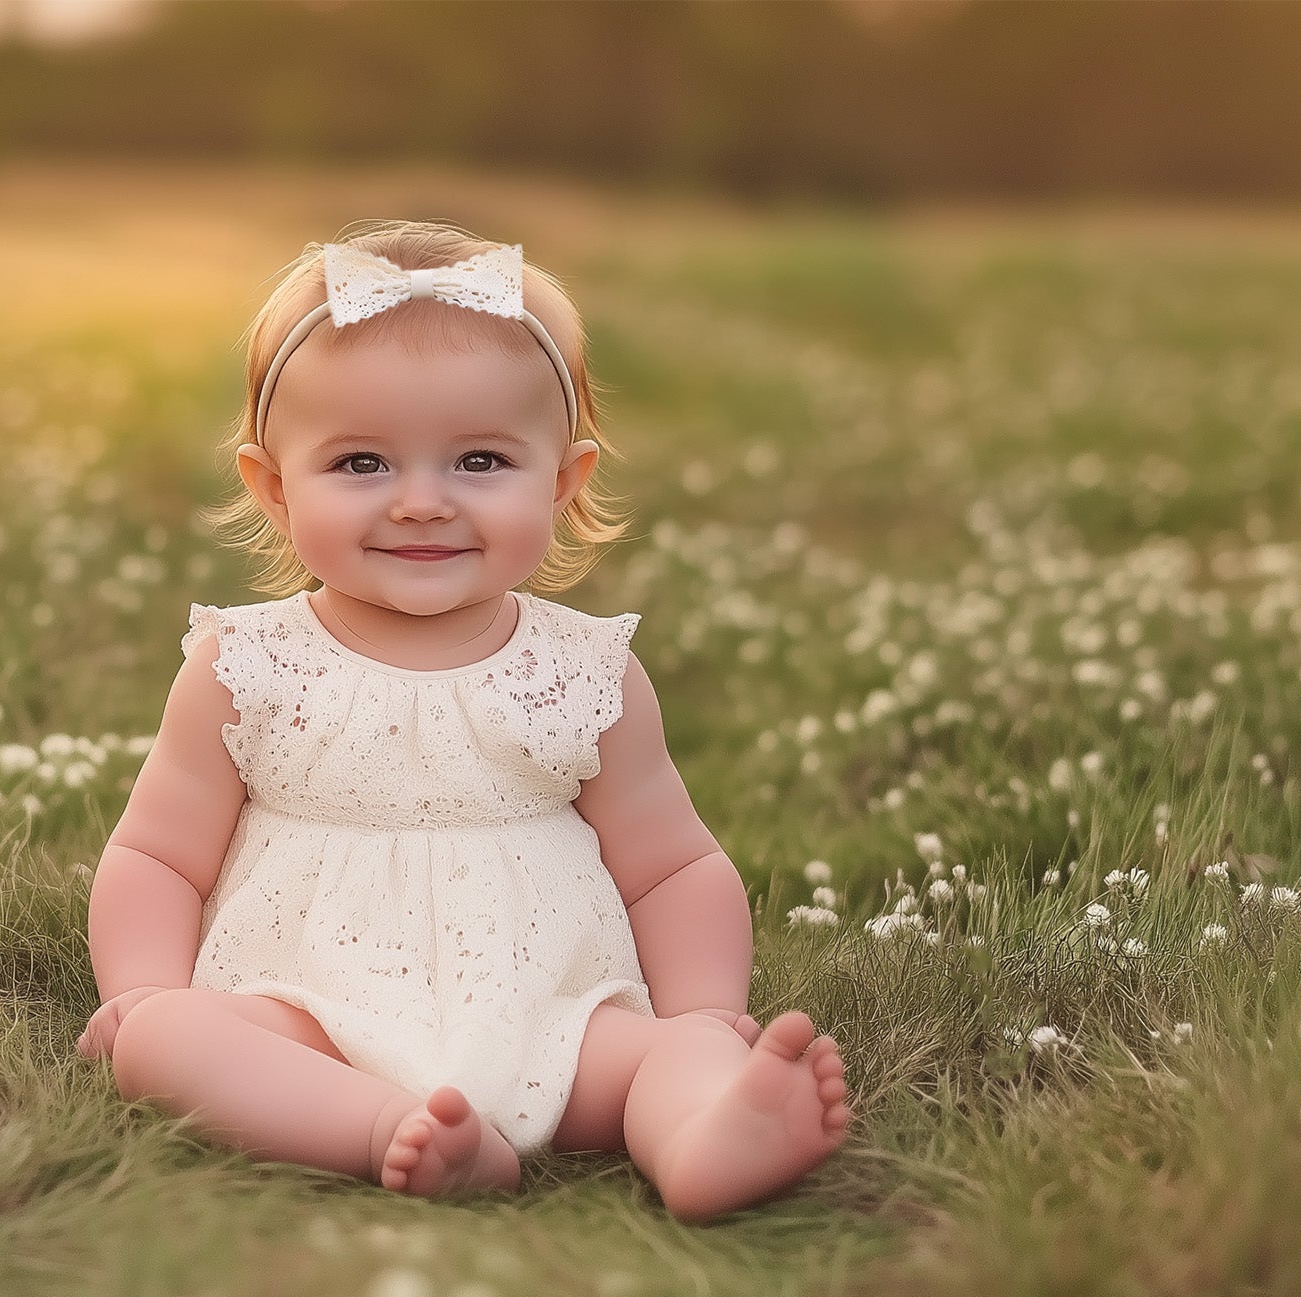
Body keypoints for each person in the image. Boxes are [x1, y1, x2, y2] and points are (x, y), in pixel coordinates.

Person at [76, 221, 849, 1224]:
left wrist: (703, 1010)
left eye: (479, 460)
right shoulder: (244, 664)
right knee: (165, 1039)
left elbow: (671, 865)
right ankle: (381, 1125)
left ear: (562, 483)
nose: (420, 503)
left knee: (670, 1050)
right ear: (271, 487)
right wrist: (138, 988)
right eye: (360, 464)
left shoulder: (582, 671)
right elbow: (157, 855)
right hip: (305, 1014)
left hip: (551, 1013)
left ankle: (704, 1131)